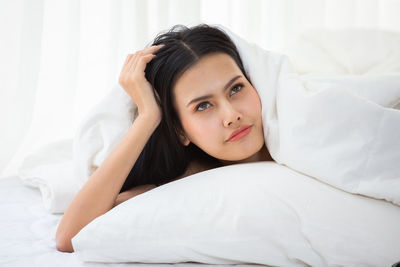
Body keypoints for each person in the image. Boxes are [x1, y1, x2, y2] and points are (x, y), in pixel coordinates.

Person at [55, 24, 273, 253]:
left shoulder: (295, 136)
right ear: (180, 131)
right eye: (203, 106)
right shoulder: (188, 181)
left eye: (236, 88)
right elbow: (70, 237)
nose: (231, 116)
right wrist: (148, 116)